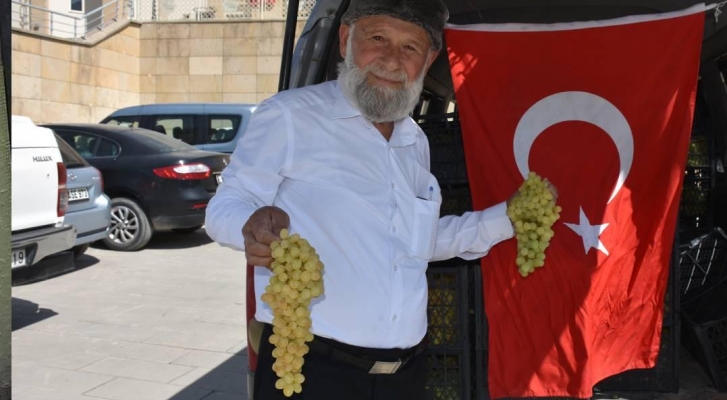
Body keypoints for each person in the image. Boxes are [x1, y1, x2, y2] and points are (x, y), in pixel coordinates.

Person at [205, 0, 554, 398]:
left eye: (410, 48)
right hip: (310, 372)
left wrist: (505, 218)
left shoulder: (415, 143)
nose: (391, 60)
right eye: (377, 38)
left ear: (429, 60)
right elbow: (225, 205)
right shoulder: (289, 117)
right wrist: (248, 226)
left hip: (405, 375)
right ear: (344, 39)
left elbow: (414, 242)